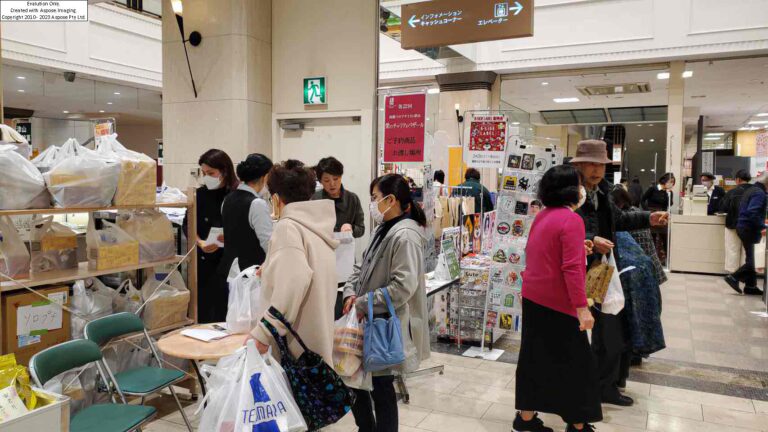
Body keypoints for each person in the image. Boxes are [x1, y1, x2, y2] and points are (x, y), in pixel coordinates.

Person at [570, 139, 668, 407]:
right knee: (592, 331)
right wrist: (591, 239)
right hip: (579, 272)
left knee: (608, 331)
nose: (596, 169)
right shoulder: (569, 196)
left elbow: (620, 220)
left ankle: (603, 386)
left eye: (601, 164)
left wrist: (648, 218)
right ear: (578, 165)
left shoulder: (600, 194)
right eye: (591, 164)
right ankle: (591, 386)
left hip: (601, 271)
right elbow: (562, 228)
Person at [514, 165, 602, 432]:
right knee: (576, 365)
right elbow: (572, 269)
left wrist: (579, 247)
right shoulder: (572, 220)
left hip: (533, 297)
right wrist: (581, 308)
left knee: (533, 359)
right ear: (571, 190)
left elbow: (544, 252)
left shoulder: (542, 216)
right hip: (559, 304)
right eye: (578, 184)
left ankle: (525, 419)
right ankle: (577, 424)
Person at [342, 173, 430, 432]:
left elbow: (402, 288)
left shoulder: (405, 236)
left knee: (381, 387)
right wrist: (349, 293)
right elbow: (360, 265)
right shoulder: (383, 228)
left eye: (375, 198)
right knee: (355, 379)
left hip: (385, 324)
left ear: (390, 200)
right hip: (367, 317)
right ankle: (366, 427)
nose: (373, 204)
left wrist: (362, 302)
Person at [249, 160, 339, 366]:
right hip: (315, 345)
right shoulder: (317, 227)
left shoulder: (288, 228)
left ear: (276, 199)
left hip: (294, 352)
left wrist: (263, 333)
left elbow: (294, 283)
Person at [183, 149, 239, 323]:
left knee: (226, 309)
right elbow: (188, 224)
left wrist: (230, 238)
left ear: (225, 171)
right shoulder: (200, 195)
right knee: (205, 309)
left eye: (211, 173)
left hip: (229, 262)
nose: (207, 177)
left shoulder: (236, 195)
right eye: (204, 173)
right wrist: (200, 243)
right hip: (204, 261)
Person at [220, 153, 273, 276]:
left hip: (230, 269)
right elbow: (268, 243)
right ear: (264, 177)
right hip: (251, 272)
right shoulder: (257, 204)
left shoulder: (227, 199)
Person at [725, 172, 768, 296]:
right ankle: (734, 277)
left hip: (743, 226)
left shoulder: (752, 190)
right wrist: (762, 226)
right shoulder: (759, 193)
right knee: (753, 259)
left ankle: (750, 286)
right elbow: (753, 212)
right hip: (750, 228)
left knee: (751, 257)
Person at [312, 156, 366, 238]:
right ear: (320, 181)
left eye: (335, 179)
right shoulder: (314, 199)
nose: (332, 184)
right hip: (321, 247)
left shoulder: (352, 199)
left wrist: (352, 228)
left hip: (345, 248)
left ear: (341, 177)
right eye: (327, 180)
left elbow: (361, 229)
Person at [719, 169, 753, 273]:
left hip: (733, 226)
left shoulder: (732, 192)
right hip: (750, 227)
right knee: (747, 251)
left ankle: (733, 275)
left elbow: (722, 208)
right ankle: (744, 274)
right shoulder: (756, 191)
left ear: (737, 180)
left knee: (732, 249)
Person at [641, 173, 675, 265]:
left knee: (664, 237)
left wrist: (669, 194)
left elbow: (670, 204)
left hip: (663, 215)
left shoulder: (669, 192)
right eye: (670, 182)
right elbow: (643, 199)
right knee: (652, 236)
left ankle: (665, 260)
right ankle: (651, 258)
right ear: (664, 181)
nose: (672, 184)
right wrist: (647, 211)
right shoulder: (653, 189)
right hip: (652, 214)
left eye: (673, 182)